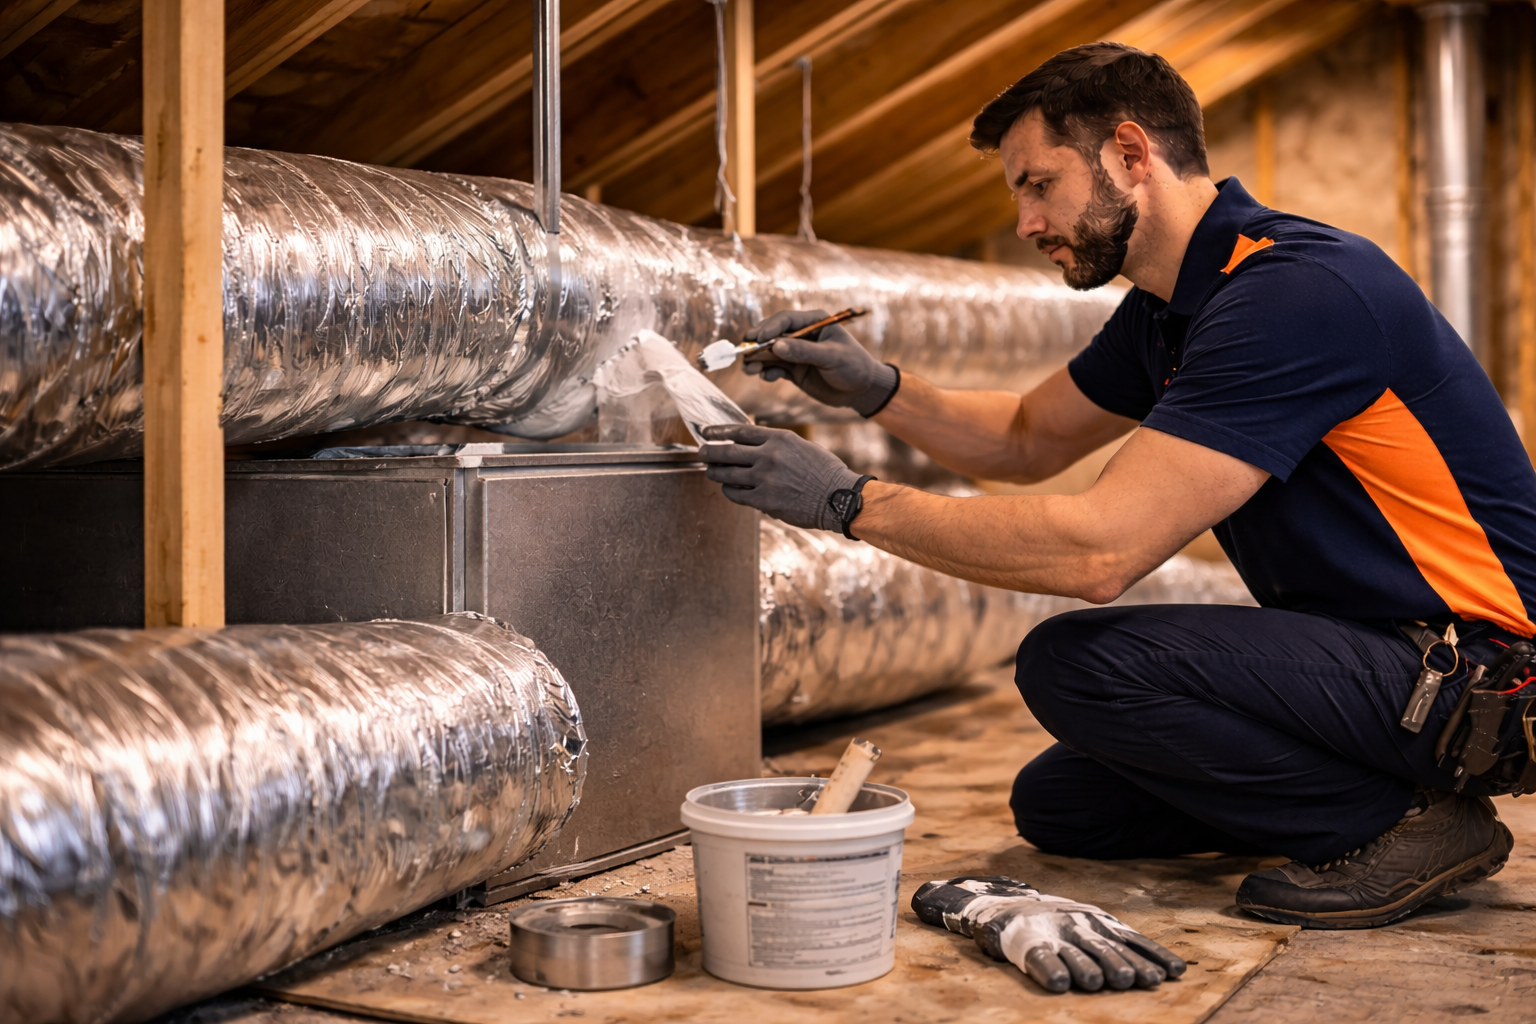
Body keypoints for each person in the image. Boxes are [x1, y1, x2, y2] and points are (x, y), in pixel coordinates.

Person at [700, 41, 1536, 930]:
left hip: (1481, 678)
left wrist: (849, 504)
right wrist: (878, 390)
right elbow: (1028, 437)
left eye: (1037, 184)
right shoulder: (1173, 309)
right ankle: (1354, 794)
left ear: (1131, 156)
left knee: (1078, 663)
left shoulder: (1295, 293)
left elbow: (1099, 552)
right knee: (1065, 805)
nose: (1025, 221)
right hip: (1386, 664)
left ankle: (1404, 826)